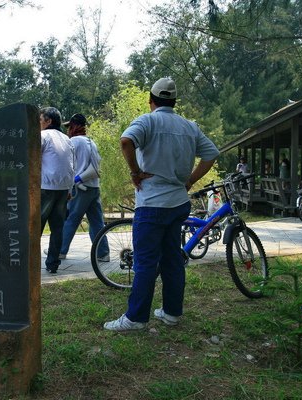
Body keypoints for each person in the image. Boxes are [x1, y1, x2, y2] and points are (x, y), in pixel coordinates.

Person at [104, 77, 219, 331]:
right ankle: (171, 312)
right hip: (178, 203)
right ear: (174, 102)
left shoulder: (147, 121)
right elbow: (211, 154)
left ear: (151, 101)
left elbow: (126, 141)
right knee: (172, 259)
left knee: (145, 261)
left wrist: (135, 173)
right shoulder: (190, 126)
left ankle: (135, 318)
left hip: (152, 203)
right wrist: (190, 180)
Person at [59, 113, 109, 261]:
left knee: (71, 219)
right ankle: (103, 253)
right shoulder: (91, 142)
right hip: (93, 188)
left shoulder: (73, 142)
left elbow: (67, 164)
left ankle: (60, 251)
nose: (68, 130)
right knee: (96, 222)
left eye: (69, 127)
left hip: (80, 188)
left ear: (75, 126)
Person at [40, 107, 75, 274]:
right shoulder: (67, 139)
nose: (38, 123)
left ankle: (29, 261)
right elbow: (71, 165)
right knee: (57, 228)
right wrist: (69, 188)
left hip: (45, 188)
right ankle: (53, 263)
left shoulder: (43, 136)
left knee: (35, 227)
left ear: (48, 121)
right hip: (63, 189)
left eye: (40, 120)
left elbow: (32, 159)